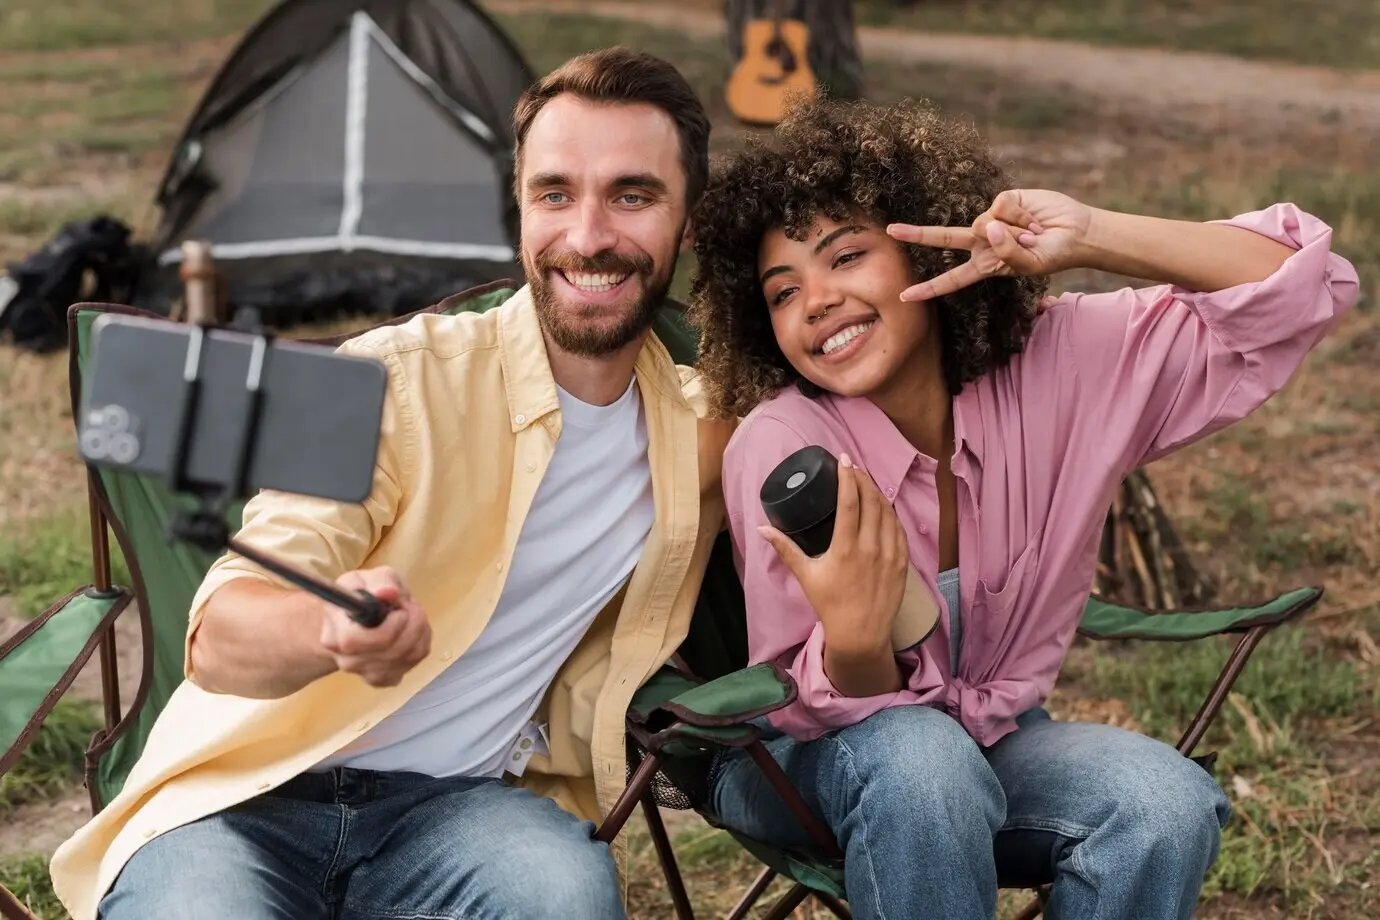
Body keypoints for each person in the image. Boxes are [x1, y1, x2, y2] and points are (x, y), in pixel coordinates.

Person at [48, 47, 735, 920]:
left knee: (562, 894)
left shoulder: (706, 433)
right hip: (241, 804)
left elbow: (873, 391)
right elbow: (221, 632)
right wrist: (330, 628)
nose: (588, 235)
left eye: (633, 195)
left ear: (689, 218)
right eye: (555, 194)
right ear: (519, 210)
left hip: (456, 815)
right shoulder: (390, 383)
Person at [685, 96, 1358, 920]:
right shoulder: (786, 447)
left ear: (926, 247)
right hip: (809, 762)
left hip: (993, 743)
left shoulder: (1059, 364)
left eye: (848, 255)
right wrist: (858, 643)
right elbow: (808, 704)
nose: (816, 300)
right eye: (783, 292)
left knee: (1160, 807)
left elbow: (1305, 285)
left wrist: (1093, 237)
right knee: (922, 763)